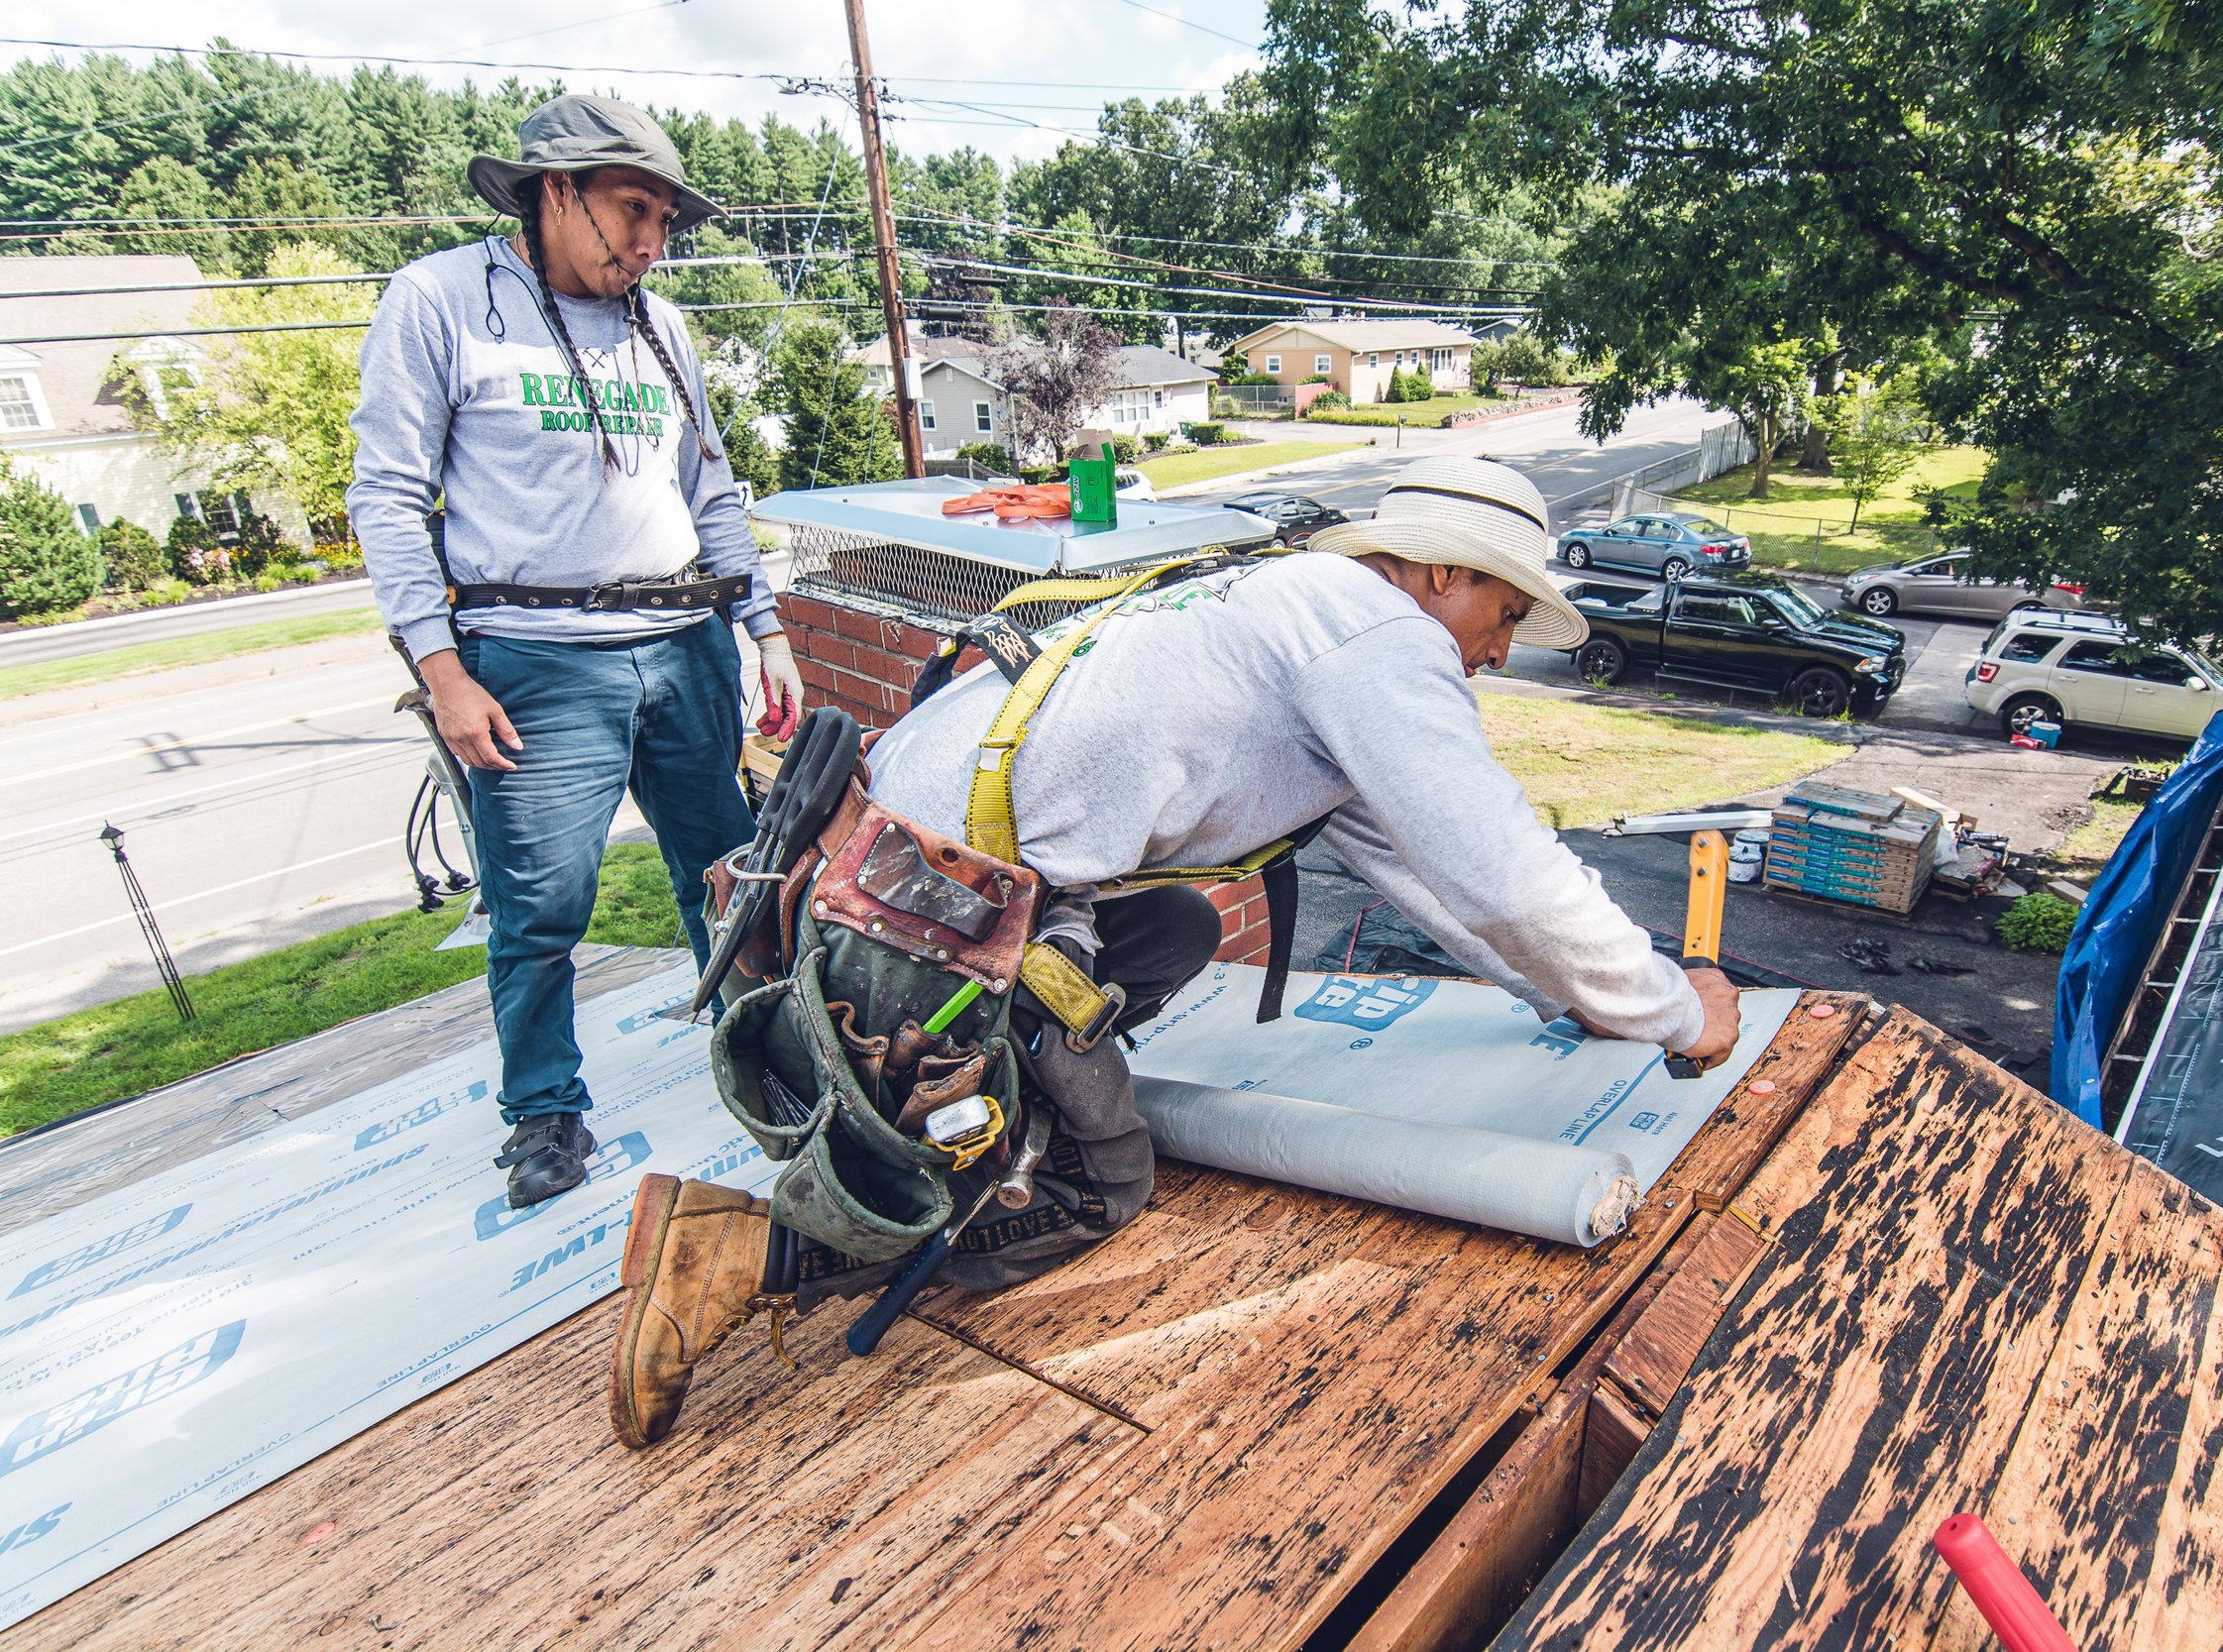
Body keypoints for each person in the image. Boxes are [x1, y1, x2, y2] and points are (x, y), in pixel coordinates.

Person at [607, 457, 1744, 1447]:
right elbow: (1508, 866)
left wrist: (1564, 994)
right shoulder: (1379, 635)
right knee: (1105, 1187)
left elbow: (1434, 872)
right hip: (915, 919)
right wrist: (1676, 1013)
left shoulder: (1296, 602)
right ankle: (752, 1249)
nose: (1499, 651)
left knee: (1183, 924)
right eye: (1504, 612)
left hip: (900, 873)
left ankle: (1001, 1097)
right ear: (1440, 570)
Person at [348, 95, 803, 1209]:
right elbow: (388, 494)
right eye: (632, 211)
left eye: (664, 220)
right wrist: (438, 668)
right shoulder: (442, 300)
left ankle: (773, 1055)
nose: (652, 241)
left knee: (732, 877)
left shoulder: (660, 323)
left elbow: (710, 485)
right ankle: (544, 1108)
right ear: (554, 191)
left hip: (684, 643)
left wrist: (763, 624)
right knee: (539, 906)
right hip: (535, 661)